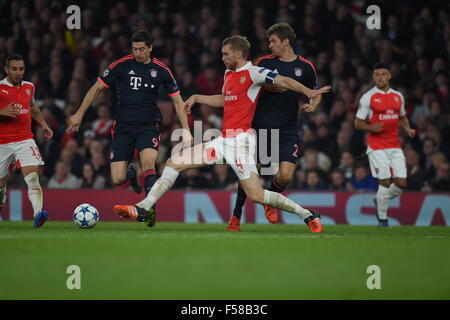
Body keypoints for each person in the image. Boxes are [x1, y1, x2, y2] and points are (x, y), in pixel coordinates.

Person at [113, 35, 330, 232]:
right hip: (222, 140)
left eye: (225, 54)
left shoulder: (254, 72)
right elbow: (225, 100)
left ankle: (308, 214)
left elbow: (284, 80)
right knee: (173, 162)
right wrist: (197, 97)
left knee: (256, 195)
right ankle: (143, 207)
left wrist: (308, 92)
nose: (222, 58)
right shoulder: (229, 73)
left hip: (241, 143)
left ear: (238, 53)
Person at [67, 29, 193, 198]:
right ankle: (131, 174)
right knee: (118, 179)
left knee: (148, 163)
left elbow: (178, 102)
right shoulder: (122, 65)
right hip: (123, 126)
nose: (137, 53)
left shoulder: (161, 70)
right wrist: (79, 113)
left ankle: (148, 209)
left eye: (141, 49)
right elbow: (97, 88)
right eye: (134, 49)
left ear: (150, 48)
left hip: (148, 125)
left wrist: (185, 129)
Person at [230, 23, 323, 231]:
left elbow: (314, 92)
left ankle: (271, 201)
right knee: (251, 173)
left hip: (288, 128)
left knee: (286, 175)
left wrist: (312, 105)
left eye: (273, 41)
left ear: (285, 42)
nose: (269, 45)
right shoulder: (264, 62)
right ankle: (236, 215)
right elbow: (249, 82)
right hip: (261, 127)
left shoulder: (306, 67)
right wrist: (270, 87)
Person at [354, 62, 416, 227]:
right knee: (385, 181)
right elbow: (358, 123)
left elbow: (401, 116)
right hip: (376, 146)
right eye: (377, 75)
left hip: (394, 145)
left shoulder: (398, 96)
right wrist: (370, 127)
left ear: (389, 76)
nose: (380, 77)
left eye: (383, 74)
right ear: (373, 77)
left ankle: (379, 199)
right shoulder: (368, 97)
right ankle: (383, 220)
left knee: (401, 183)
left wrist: (408, 128)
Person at [0, 53, 53, 227]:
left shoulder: (29, 87)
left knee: (32, 177)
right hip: (2, 142)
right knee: (0, 184)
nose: (18, 72)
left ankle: (38, 214)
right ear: (6, 69)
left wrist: (44, 125)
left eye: (21, 69)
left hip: (24, 139)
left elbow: (33, 107)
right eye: (14, 69)